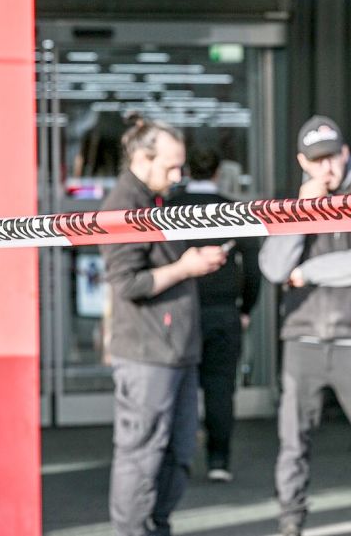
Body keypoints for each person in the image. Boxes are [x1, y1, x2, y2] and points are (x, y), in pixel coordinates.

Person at [258, 115, 351, 536]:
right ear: (304, 161)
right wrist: (301, 213)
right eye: (317, 160)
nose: (327, 168)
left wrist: (305, 273)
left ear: (345, 153)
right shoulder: (293, 205)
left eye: (332, 157)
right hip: (301, 339)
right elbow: (272, 267)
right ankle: (290, 524)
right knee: (292, 445)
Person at [101, 115, 226, 536]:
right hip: (147, 355)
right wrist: (185, 267)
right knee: (142, 454)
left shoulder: (154, 202)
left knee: (178, 452)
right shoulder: (123, 206)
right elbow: (127, 283)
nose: (178, 177)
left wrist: (188, 265)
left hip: (175, 352)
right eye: (171, 167)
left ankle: (155, 525)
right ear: (142, 158)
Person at [168, 147, 261, 483]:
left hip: (179, 310)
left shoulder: (170, 208)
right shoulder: (233, 210)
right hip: (223, 311)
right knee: (220, 387)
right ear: (219, 172)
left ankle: (178, 458)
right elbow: (252, 268)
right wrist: (246, 308)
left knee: (179, 387)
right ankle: (219, 461)